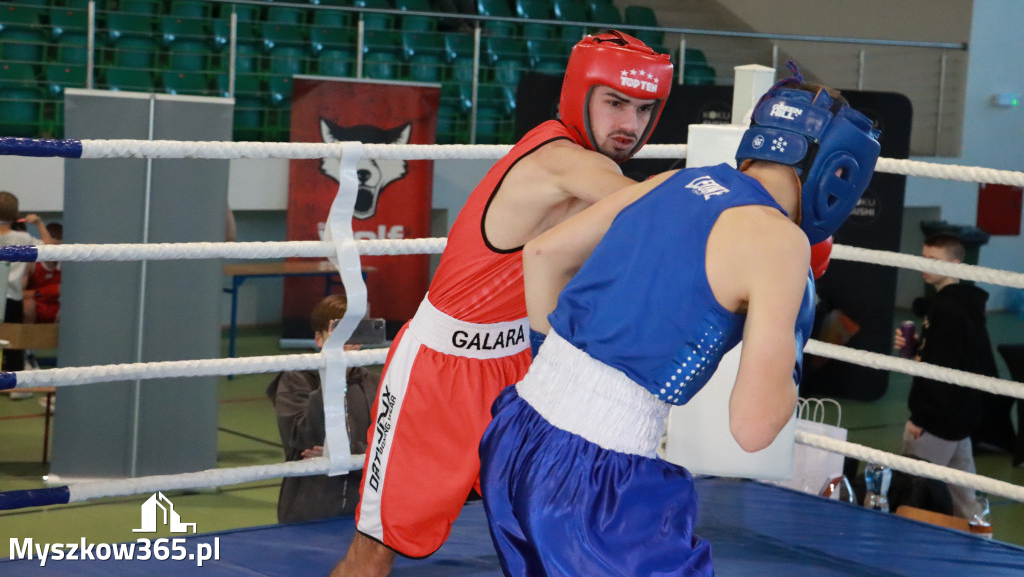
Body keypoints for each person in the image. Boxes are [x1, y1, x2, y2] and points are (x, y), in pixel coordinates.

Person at [478, 70, 881, 576]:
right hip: (597, 482)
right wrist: (796, 328)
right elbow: (754, 429)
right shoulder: (781, 244)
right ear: (839, 172)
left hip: (517, 429)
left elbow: (543, 252)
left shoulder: (682, 178)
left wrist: (551, 368)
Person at [330, 30, 674, 576]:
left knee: (555, 536)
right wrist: (755, 205)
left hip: (520, 371)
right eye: (615, 103)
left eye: (643, 109)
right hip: (438, 378)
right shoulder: (561, 159)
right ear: (581, 95)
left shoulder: (588, 169)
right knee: (375, 550)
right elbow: (655, 204)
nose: (629, 125)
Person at [894, 233, 995, 519]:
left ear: (954, 263)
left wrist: (921, 417)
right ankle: (979, 543)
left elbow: (941, 371)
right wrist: (916, 349)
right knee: (965, 500)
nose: (925, 265)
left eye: (933, 260)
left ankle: (900, 552)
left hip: (938, 420)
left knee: (909, 492)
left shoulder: (948, 309)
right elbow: (949, 357)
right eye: (924, 257)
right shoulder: (965, 304)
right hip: (960, 418)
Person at [267, 294, 380, 523]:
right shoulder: (295, 378)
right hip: (309, 510)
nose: (347, 338)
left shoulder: (376, 383)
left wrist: (343, 453)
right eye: (338, 330)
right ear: (320, 339)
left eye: (353, 329)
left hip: (364, 512)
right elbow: (304, 439)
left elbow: (388, 447)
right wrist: (333, 377)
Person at [0, 192, 56, 374]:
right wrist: (38, 223)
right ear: (16, 216)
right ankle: (15, 384)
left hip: (11, 298)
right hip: (12, 299)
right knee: (13, 342)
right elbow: (50, 248)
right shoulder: (22, 239)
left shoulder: (22, 238)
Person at [22, 223, 63, 325]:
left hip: (56, 307)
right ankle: (27, 336)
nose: (56, 254)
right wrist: (44, 292)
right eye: (53, 249)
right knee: (28, 305)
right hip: (36, 305)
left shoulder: (66, 266)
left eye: (59, 250)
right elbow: (19, 293)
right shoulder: (32, 264)